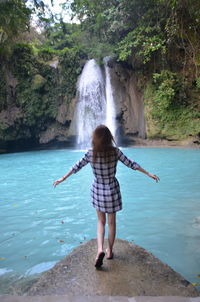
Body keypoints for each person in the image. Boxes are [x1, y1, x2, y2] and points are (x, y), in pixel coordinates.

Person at [53, 125, 160, 268]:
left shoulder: (91, 153)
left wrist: (62, 178)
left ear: (95, 139)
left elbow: (76, 167)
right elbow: (131, 164)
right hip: (112, 189)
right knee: (112, 223)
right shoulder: (115, 152)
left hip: (98, 189)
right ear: (109, 137)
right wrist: (148, 173)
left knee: (100, 221)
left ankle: (99, 250)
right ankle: (109, 251)